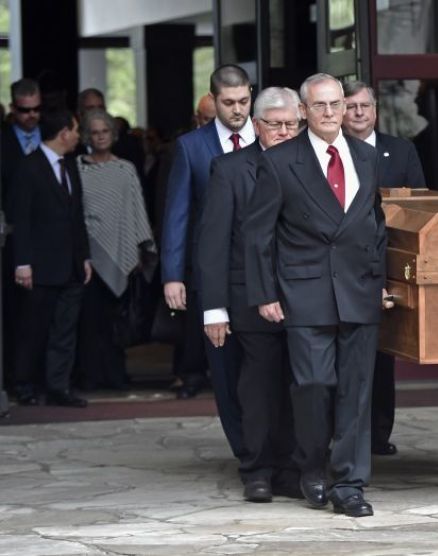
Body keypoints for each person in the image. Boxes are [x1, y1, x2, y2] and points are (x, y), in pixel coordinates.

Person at [244, 73, 388, 518]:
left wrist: (380, 280)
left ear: (346, 108)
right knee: (313, 384)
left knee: (356, 392)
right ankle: (311, 463)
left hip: (359, 291)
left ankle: (349, 483)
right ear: (304, 111)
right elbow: (258, 234)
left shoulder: (366, 157)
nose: (330, 113)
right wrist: (265, 292)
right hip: (303, 292)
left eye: (336, 104)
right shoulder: (280, 161)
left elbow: (376, 225)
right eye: (320, 106)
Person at [198, 87, 303, 503]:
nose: (283, 131)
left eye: (290, 124)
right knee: (258, 388)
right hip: (247, 298)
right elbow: (213, 242)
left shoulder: (311, 163)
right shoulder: (230, 168)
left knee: (302, 386)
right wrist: (213, 308)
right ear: (256, 125)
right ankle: (257, 469)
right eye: (274, 125)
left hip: (304, 295)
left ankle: (294, 469)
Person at [161, 65, 256, 459]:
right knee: (224, 369)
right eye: (229, 102)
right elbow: (178, 214)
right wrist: (172, 275)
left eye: (244, 101)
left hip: (263, 274)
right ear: (213, 99)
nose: (237, 110)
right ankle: (245, 453)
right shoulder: (191, 147)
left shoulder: (272, 137)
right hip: (212, 276)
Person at [342, 80, 426, 457]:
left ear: (375, 110)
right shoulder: (330, 153)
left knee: (382, 353)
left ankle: (378, 433)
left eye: (364, 106)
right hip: (342, 264)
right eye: (351, 106)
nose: (358, 113)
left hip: (389, 263)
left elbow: (419, 207)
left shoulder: (400, 150)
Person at [10, 109, 92, 408]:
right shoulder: (29, 167)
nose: (79, 136)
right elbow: (22, 218)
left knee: (64, 330)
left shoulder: (70, 166)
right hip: (40, 266)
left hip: (70, 265)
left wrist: (83, 257)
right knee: (33, 328)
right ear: (63, 134)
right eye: (75, 130)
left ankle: (59, 387)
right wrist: (22, 262)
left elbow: (77, 217)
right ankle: (24, 384)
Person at [75, 109, 156, 390]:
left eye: (105, 132)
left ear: (113, 134)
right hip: (87, 256)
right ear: (86, 135)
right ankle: (91, 376)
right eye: (94, 132)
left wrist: (138, 250)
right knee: (90, 322)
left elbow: (135, 209)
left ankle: (116, 375)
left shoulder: (125, 169)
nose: (99, 137)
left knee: (117, 322)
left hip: (122, 251)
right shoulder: (77, 168)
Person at [1, 78, 42, 378]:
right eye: (25, 110)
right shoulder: (2, 140)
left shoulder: (52, 136)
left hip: (48, 236)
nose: (31, 116)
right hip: (12, 234)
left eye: (36, 109)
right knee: (15, 313)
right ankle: (17, 377)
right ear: (13, 108)